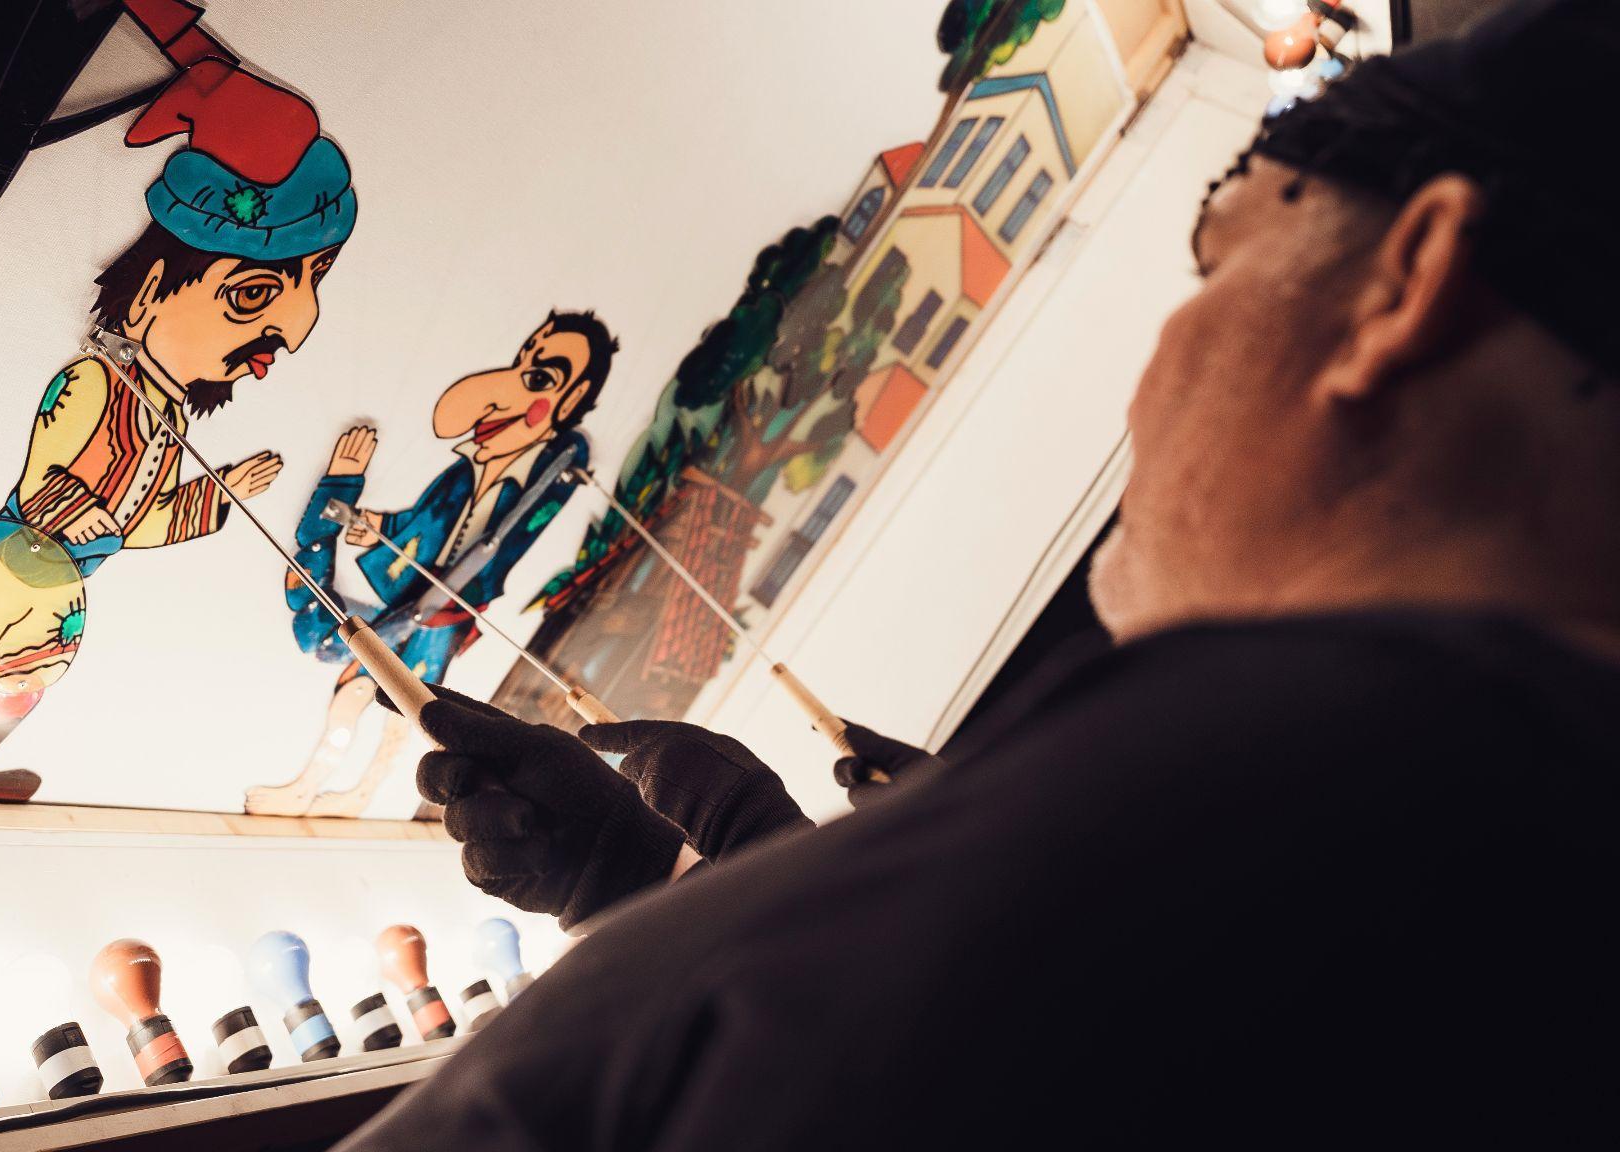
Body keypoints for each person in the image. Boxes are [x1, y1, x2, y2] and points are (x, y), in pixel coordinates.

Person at [341, 1, 1617, 1145]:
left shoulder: (1306, 783)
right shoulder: (1490, 853)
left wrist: (738, 906)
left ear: (1403, 283)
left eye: (1215, 265)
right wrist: (664, 884)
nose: (1156, 366)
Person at [0, 61, 353, 801]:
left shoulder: (168, 415)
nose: (292, 331)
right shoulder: (93, 382)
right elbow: (49, 471)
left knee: (26, 677)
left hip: (66, 579)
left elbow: (137, 525)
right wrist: (88, 513)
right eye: (252, 294)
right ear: (147, 295)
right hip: (16, 556)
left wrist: (216, 495)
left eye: (310, 284)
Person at [247, 312, 617, 817]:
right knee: (357, 686)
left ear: (569, 402)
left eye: (539, 377)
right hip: (419, 600)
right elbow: (429, 519)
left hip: (444, 613)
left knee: (405, 707)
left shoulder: (542, 487)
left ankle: (361, 792)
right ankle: (310, 785)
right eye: (522, 363)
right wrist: (377, 523)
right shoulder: (462, 474)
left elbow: (497, 550)